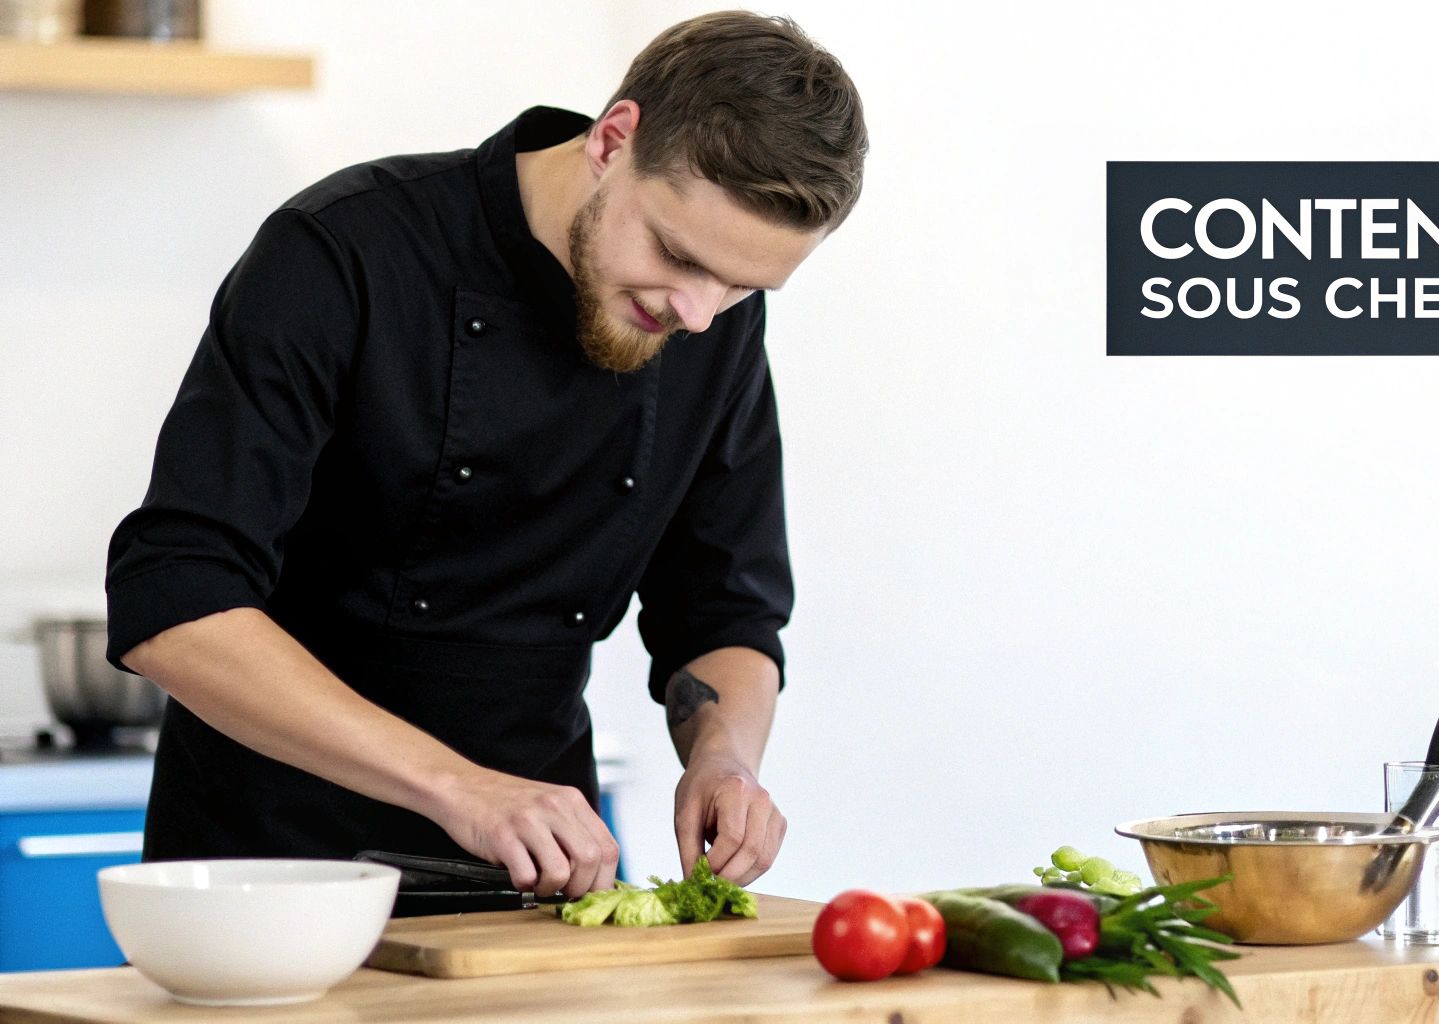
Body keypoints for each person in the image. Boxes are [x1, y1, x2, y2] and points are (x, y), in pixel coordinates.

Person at [102, 11, 867, 899]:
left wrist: (725, 759)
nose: (697, 313)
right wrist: (458, 787)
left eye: (742, 287)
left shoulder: (705, 323)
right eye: (677, 254)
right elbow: (175, 596)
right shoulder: (344, 252)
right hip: (269, 881)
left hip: (532, 885)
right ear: (614, 139)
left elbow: (724, 609)